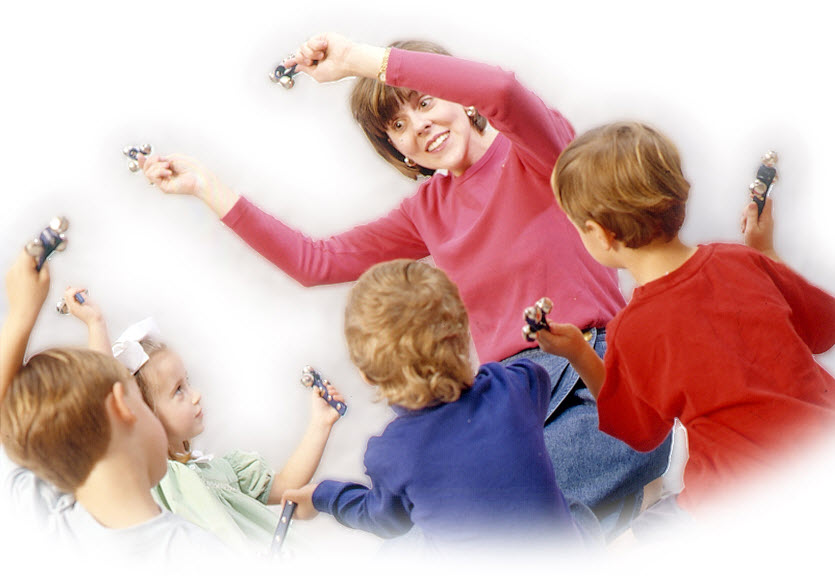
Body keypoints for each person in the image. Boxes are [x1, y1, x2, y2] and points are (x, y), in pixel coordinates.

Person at [138, 32, 671, 535]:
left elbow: (504, 92)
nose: (418, 126)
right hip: (503, 405)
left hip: (596, 376)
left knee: (493, 522)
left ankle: (643, 519)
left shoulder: (538, 154)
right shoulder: (426, 211)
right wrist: (205, 186)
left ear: (460, 96)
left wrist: (357, 60)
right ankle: (635, 524)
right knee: (450, 526)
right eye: (396, 124)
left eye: (424, 101)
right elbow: (313, 262)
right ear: (394, 149)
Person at [538, 120, 835, 515]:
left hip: (740, 499)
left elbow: (639, 433)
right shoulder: (744, 260)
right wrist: (766, 254)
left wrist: (579, 352)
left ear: (601, 234)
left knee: (638, 535)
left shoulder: (632, 329)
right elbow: (823, 329)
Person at [280, 259, 583, 553]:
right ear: (463, 334)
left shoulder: (393, 452)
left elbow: (383, 519)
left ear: (367, 375)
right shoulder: (511, 385)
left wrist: (323, 495)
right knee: (575, 512)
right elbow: (535, 375)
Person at [61, 287, 345, 555]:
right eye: (178, 391)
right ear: (139, 413)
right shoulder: (153, 481)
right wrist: (96, 324)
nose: (195, 395)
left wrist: (320, 424)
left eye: (187, 382)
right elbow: (106, 399)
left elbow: (285, 485)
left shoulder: (222, 470)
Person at [0, 251, 229, 563]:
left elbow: (10, 419)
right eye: (139, 397)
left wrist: (21, 314)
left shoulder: (45, 524)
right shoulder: (200, 556)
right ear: (121, 405)